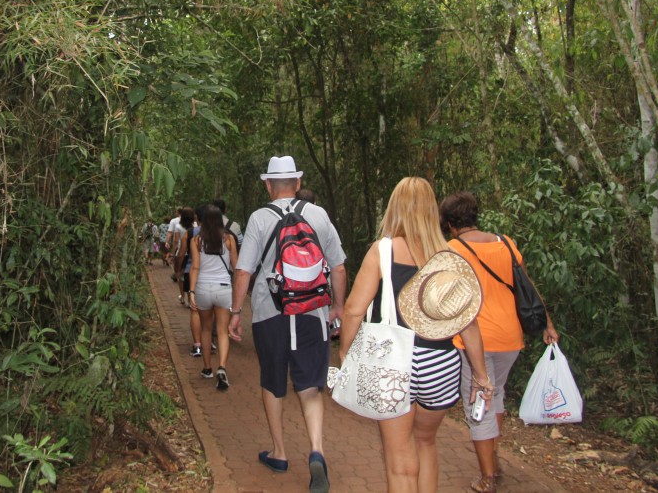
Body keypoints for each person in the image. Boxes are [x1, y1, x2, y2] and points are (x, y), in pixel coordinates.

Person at [340, 177, 494, 493]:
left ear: (395, 208)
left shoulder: (382, 251)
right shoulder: (447, 254)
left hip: (394, 363)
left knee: (400, 459)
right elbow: (468, 323)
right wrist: (481, 376)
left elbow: (354, 310)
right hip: (441, 364)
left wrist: (345, 353)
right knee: (425, 442)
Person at [228, 155, 346, 493]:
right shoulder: (318, 215)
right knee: (310, 388)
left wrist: (235, 312)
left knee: (273, 382)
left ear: (268, 185)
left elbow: (243, 271)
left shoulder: (259, 218)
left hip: (270, 315)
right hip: (312, 313)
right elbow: (338, 267)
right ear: (297, 182)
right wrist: (337, 307)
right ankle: (317, 451)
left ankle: (279, 453)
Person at [440, 191, 559, 493]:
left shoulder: (452, 249)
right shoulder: (506, 243)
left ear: (450, 223)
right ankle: (492, 457)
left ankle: (487, 478)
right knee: (497, 393)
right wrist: (547, 323)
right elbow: (527, 287)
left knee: (478, 400)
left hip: (474, 340)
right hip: (510, 337)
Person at [189, 204, 239, 390]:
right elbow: (236, 267)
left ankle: (207, 368)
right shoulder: (229, 239)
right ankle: (222, 367)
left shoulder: (196, 241)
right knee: (223, 330)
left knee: (206, 329)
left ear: (203, 221)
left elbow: (195, 267)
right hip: (223, 288)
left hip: (203, 288)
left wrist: (191, 292)